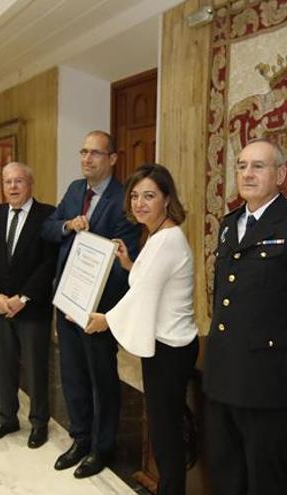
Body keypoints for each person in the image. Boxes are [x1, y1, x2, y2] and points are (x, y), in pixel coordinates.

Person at [203, 139, 287, 494]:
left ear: (281, 173)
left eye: (258, 166)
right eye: (242, 166)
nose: (247, 174)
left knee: (267, 480)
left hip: (269, 383)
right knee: (226, 474)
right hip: (224, 376)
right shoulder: (230, 224)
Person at [86, 164, 198, 495]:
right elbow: (149, 279)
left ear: (167, 198)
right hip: (165, 345)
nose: (139, 203)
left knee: (166, 436)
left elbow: (143, 294)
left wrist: (104, 320)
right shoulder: (156, 234)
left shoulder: (167, 238)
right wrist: (128, 264)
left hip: (171, 350)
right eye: (134, 196)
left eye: (149, 195)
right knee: (163, 430)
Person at [42, 130, 140, 478]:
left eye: (95, 153)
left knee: (102, 380)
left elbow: (126, 254)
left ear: (113, 158)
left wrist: (94, 293)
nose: (87, 159)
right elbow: (48, 230)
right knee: (72, 375)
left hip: (98, 307)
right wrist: (68, 225)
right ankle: (80, 437)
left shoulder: (126, 197)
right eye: (83, 152)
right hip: (67, 301)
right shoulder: (73, 191)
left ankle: (102, 447)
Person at [0, 162, 58, 449]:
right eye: (7, 181)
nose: (12, 187)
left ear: (30, 183)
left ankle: (39, 422)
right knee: (3, 366)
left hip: (31, 309)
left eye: (18, 181)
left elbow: (49, 264)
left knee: (35, 369)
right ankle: (6, 417)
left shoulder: (48, 215)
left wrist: (22, 298)